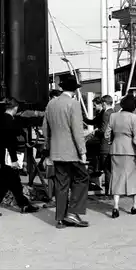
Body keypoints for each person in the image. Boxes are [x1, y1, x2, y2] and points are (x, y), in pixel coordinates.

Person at [42, 74, 89, 229]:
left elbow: (45, 129)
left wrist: (48, 147)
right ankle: (73, 212)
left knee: (61, 184)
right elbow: (77, 130)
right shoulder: (73, 104)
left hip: (56, 151)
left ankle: (60, 219)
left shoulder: (51, 104)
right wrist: (82, 151)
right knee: (82, 177)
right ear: (75, 90)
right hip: (72, 151)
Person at [0, 99, 39, 217]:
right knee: (2, 182)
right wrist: (14, 160)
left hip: (4, 153)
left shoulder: (1, 119)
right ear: (15, 108)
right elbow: (10, 142)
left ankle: (24, 204)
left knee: (14, 181)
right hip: (8, 155)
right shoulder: (9, 121)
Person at [105, 92, 136, 218]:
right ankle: (135, 206)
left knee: (117, 177)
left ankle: (116, 207)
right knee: (135, 178)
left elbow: (107, 134)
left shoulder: (113, 116)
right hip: (131, 152)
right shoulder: (135, 119)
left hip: (116, 150)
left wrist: (112, 141)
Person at [99, 95, 115, 196]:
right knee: (112, 169)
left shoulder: (106, 114)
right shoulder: (114, 113)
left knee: (107, 170)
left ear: (104, 104)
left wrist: (95, 133)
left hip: (105, 145)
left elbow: (104, 131)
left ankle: (108, 192)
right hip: (113, 145)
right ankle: (113, 191)